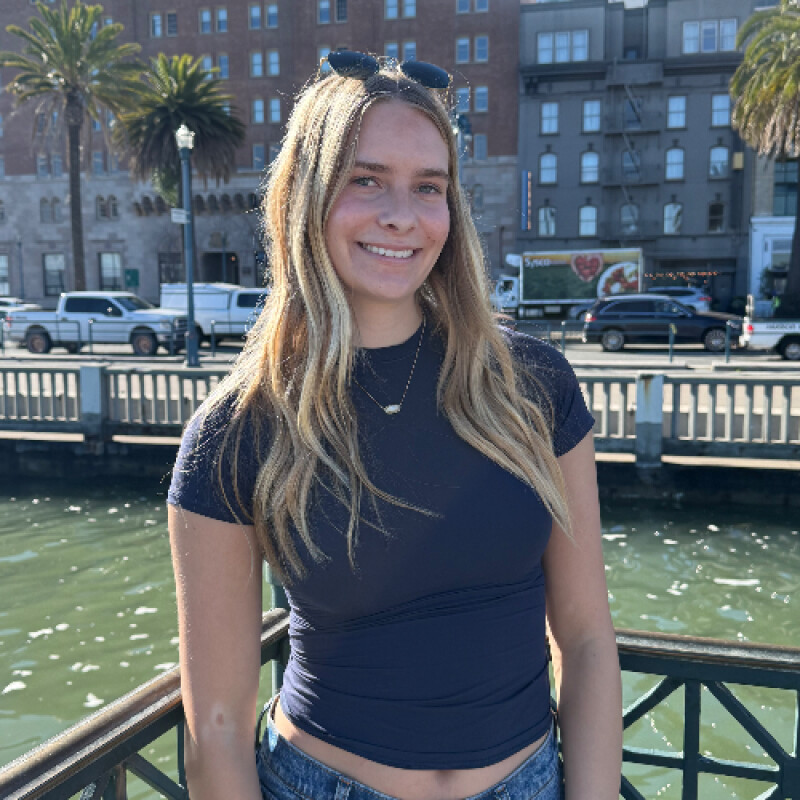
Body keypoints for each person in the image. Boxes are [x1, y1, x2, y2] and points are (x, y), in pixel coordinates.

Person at [168, 50, 622, 800]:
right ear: (306, 194)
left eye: (428, 187)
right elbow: (215, 727)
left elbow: (586, 637)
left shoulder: (534, 386)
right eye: (366, 179)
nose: (402, 216)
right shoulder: (238, 431)